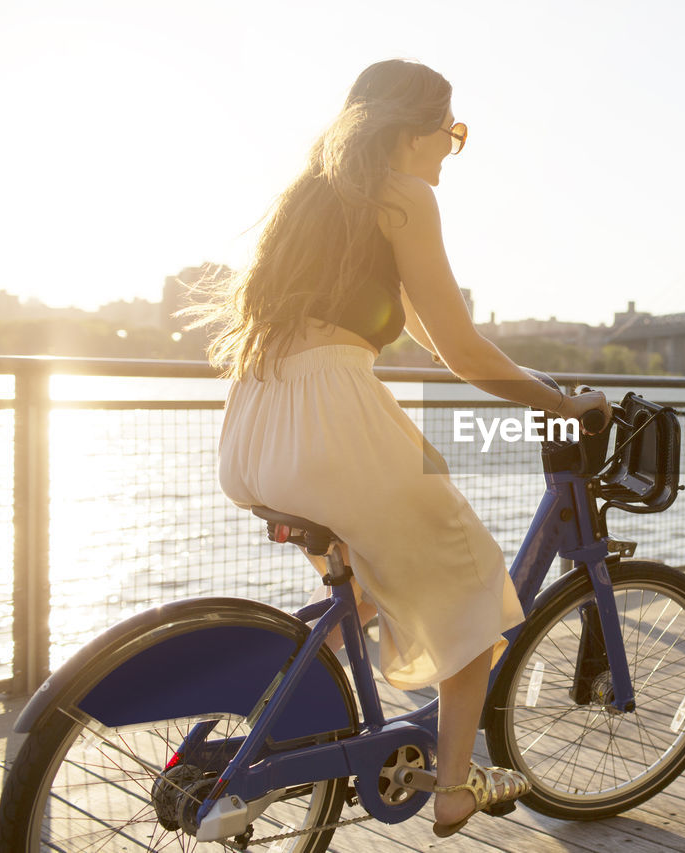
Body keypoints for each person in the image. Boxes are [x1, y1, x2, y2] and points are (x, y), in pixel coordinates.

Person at [193, 58, 610, 838]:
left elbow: (424, 325)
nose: (450, 151)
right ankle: (454, 785)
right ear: (415, 129)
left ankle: (302, 726)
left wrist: (520, 377)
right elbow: (462, 350)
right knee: (476, 593)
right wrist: (558, 401)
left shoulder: (314, 197)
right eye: (451, 134)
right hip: (332, 426)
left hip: (253, 427)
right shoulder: (404, 194)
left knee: (365, 594)